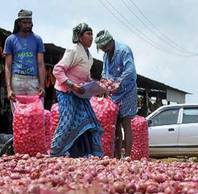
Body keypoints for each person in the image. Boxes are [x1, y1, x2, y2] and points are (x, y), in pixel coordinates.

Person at [50, 23, 103, 158]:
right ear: (80, 37)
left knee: (88, 120)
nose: (91, 37)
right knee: (67, 121)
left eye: (92, 34)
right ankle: (55, 152)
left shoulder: (89, 56)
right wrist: (72, 85)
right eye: (88, 34)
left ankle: (79, 153)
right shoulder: (73, 50)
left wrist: (96, 85)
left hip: (80, 93)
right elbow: (57, 70)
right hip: (66, 91)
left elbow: (85, 76)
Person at [95, 30, 137, 159]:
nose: (105, 51)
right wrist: (103, 82)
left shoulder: (124, 50)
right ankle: (117, 156)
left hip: (127, 90)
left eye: (106, 48)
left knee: (126, 122)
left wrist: (118, 82)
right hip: (114, 92)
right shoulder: (106, 56)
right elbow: (104, 72)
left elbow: (130, 70)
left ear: (111, 42)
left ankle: (128, 156)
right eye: (102, 49)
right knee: (115, 123)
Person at [3, 9, 45, 104]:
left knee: (35, 114)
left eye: (29, 22)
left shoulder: (37, 39)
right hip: (17, 80)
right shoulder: (10, 40)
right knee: (18, 116)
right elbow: (8, 66)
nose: (27, 25)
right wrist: (9, 89)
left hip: (33, 81)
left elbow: (41, 64)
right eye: (24, 22)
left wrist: (42, 86)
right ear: (18, 23)